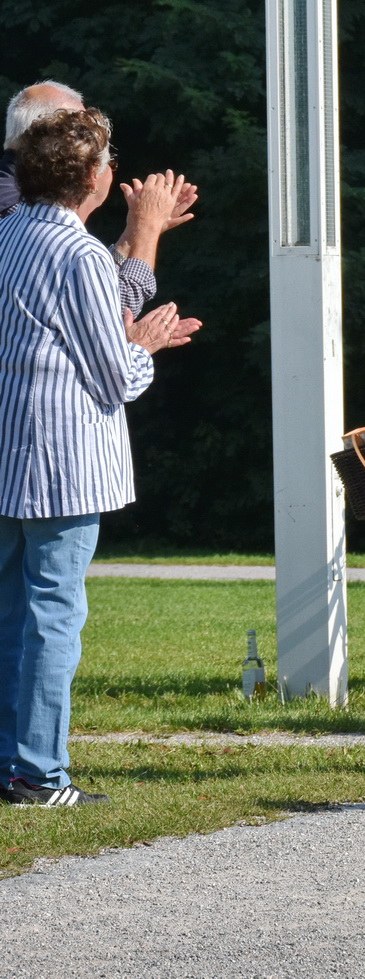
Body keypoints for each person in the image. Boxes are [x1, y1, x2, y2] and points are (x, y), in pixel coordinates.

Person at [0, 108, 191, 806]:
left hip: (9, 454)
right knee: (54, 618)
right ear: (90, 176)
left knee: (13, 616)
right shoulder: (76, 253)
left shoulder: (9, 232)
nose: (114, 170)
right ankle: (40, 772)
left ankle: (12, 762)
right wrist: (143, 346)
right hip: (63, 462)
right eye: (110, 160)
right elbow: (115, 375)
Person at [3, 82, 199, 318]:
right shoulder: (18, 210)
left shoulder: (22, 204)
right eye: (77, 131)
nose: (87, 136)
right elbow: (111, 309)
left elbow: (84, 292)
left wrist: (136, 230)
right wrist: (147, 227)